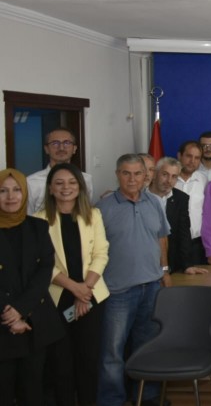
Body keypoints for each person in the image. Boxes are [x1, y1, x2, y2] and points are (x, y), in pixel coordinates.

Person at [96, 154, 171, 406]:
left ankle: (146, 396)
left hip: (152, 287)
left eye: (138, 173)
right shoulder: (102, 208)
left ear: (145, 176)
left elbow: (161, 237)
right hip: (118, 291)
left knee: (147, 347)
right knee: (112, 352)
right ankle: (112, 400)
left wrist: (165, 270)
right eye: (126, 173)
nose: (132, 179)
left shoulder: (154, 203)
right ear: (117, 174)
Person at [36, 163, 109, 406]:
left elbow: (101, 254)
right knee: (61, 363)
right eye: (59, 183)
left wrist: (83, 291)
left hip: (91, 296)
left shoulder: (93, 215)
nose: (65, 187)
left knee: (89, 361)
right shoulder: (38, 220)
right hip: (57, 299)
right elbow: (43, 263)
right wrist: (74, 288)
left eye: (71, 182)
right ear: (50, 188)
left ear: (80, 187)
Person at [0, 168, 63, 406]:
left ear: (25, 193)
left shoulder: (38, 226)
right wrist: (10, 314)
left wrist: (21, 310)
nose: (11, 197)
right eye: (3, 191)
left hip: (34, 323)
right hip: (3, 324)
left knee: (34, 390)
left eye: (17, 190)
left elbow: (44, 270)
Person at [148, 157, 207, 274]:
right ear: (155, 173)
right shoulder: (141, 196)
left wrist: (187, 265)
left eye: (174, 176)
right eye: (165, 174)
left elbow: (183, 232)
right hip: (145, 260)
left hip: (171, 262)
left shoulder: (181, 198)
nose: (169, 180)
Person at [27, 128, 94, 214]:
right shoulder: (31, 182)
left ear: (74, 148)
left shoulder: (86, 179)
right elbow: (28, 216)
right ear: (46, 149)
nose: (61, 148)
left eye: (67, 143)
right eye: (55, 143)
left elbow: (86, 210)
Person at [175, 140, 209, 266]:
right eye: (189, 156)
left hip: (197, 244)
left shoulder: (204, 180)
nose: (192, 161)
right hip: (172, 242)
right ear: (179, 156)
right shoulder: (169, 179)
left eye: (197, 158)